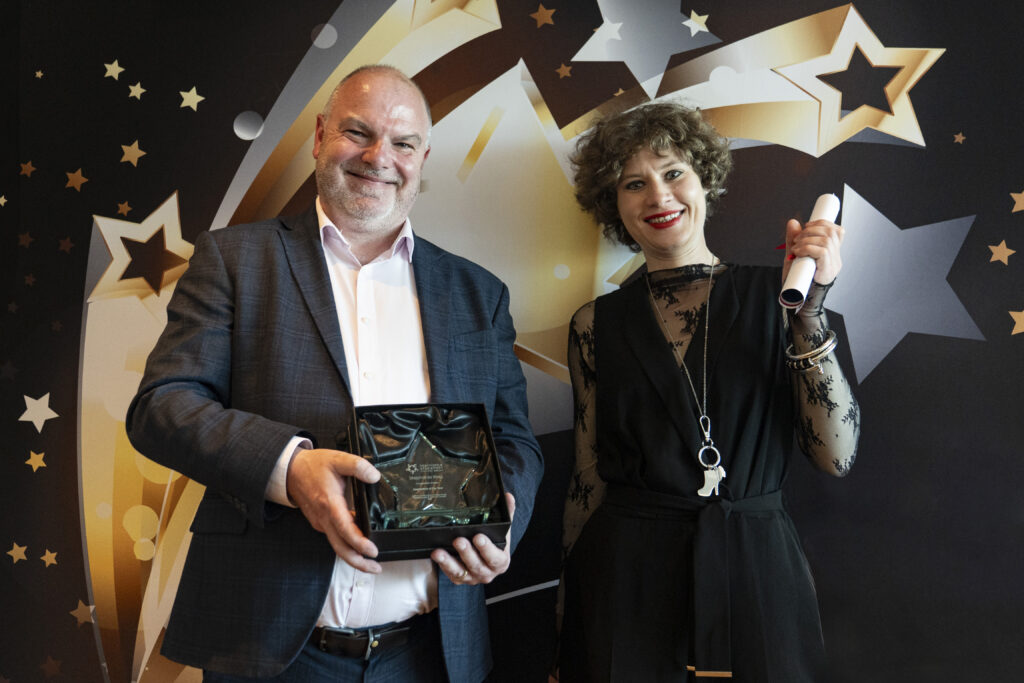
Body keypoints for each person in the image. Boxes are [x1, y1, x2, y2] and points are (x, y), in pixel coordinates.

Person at [126, 65, 543, 682]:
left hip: (431, 653)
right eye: (358, 132)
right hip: (275, 650)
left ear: (422, 158)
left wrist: (505, 514)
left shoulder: (478, 292)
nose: (380, 158)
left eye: (403, 144)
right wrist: (289, 468)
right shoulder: (235, 259)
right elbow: (162, 406)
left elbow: (514, 443)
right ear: (320, 136)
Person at [556, 102, 860, 681]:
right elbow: (585, 480)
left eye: (673, 173)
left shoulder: (786, 299)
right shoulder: (594, 324)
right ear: (614, 205)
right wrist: (565, 629)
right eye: (633, 184)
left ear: (704, 180)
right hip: (625, 584)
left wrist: (809, 312)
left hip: (757, 571)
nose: (658, 197)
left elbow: (836, 457)